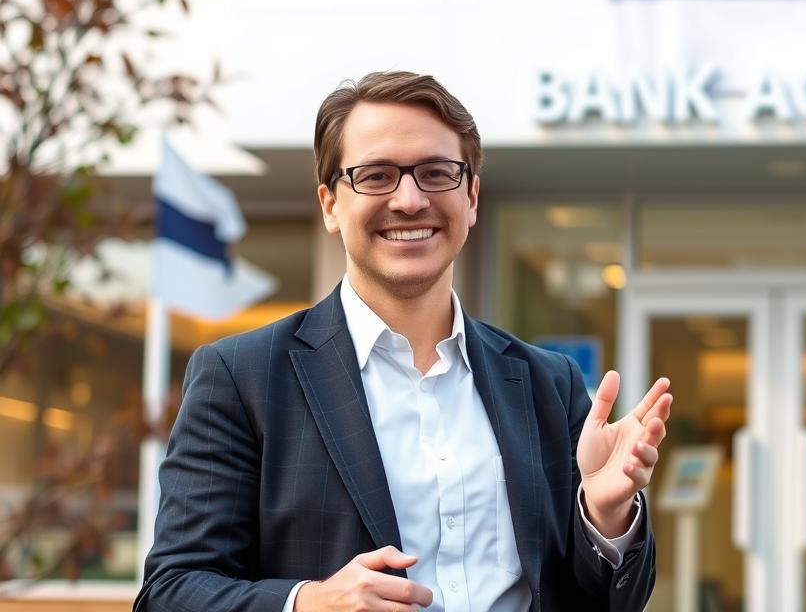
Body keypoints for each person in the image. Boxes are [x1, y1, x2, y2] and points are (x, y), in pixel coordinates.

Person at [135, 71, 671, 612]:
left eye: (437, 173)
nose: (410, 200)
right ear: (329, 204)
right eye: (376, 175)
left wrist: (604, 517)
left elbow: (607, 601)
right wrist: (309, 604)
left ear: (472, 197)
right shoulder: (243, 377)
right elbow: (171, 591)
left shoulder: (546, 383)